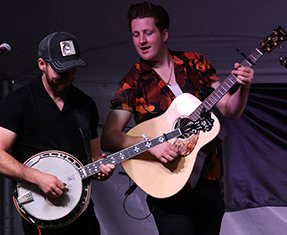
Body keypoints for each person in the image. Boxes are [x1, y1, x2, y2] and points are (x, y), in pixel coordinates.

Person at [101, 2, 254, 235]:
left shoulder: (195, 63)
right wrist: (151, 146)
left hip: (208, 180)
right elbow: (110, 138)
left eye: (148, 33)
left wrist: (244, 87)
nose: (141, 40)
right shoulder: (132, 82)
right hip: (168, 185)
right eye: (135, 34)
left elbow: (229, 110)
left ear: (164, 34)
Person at [0, 31, 115, 235]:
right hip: (43, 216)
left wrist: (101, 169)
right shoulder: (18, 102)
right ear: (41, 64)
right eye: (60, 69)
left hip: (81, 213)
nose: (67, 75)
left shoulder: (85, 104)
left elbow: (94, 157)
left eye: (72, 69)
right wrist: (38, 177)